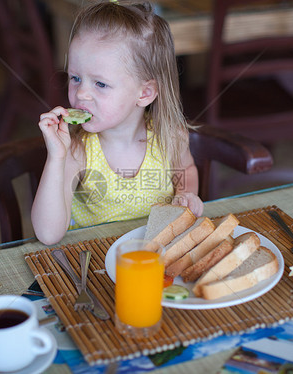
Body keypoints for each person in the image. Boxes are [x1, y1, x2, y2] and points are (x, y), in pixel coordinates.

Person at [31, 1, 203, 245]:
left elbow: (186, 169)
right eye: (75, 78)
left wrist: (186, 193)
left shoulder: (170, 137)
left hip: (152, 257)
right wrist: (56, 158)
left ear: (144, 93)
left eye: (100, 84)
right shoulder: (78, 150)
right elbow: (48, 235)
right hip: (93, 262)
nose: (81, 94)